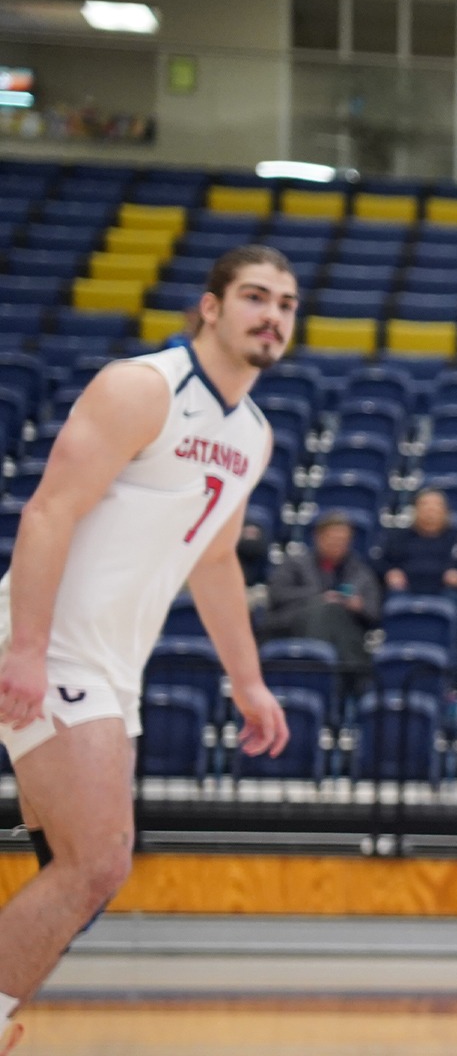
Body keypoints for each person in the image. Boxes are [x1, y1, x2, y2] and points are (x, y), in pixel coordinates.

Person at [0, 246, 294, 1055]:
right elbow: (48, 513)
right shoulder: (143, 387)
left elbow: (215, 559)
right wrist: (26, 648)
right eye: (256, 297)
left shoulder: (254, 434)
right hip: (53, 645)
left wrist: (249, 681)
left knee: (72, 866)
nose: (273, 316)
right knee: (97, 861)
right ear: (211, 307)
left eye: (287, 304)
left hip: (112, 667)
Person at [263, 512, 383, 684]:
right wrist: (320, 596)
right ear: (318, 537)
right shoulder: (295, 564)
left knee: (333, 615)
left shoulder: (361, 572)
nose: (337, 543)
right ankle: (353, 679)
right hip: (292, 626)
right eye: (332, 538)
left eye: (343, 539)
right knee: (325, 610)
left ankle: (322, 676)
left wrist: (358, 606)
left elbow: (374, 613)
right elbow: (278, 594)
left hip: (345, 631)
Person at [373, 489, 457, 606]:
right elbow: (378, 563)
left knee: (454, 599)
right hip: (405, 591)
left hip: (445, 593)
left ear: (446, 511)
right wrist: (389, 572)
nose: (430, 511)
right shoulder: (398, 538)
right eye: (425, 505)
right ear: (415, 510)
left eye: (436, 506)